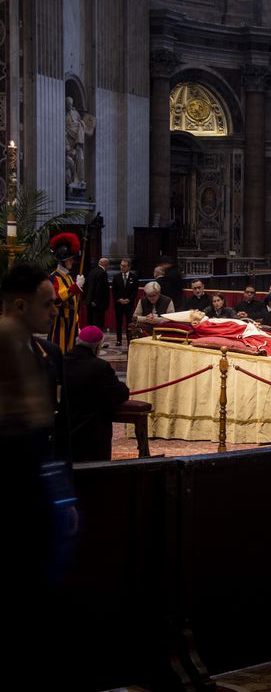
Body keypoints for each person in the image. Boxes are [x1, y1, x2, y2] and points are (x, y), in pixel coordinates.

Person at [0, 263, 77, 687]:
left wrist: (63, 489)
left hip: (41, 483)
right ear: (19, 304)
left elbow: (54, 426)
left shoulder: (48, 352)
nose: (56, 311)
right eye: (48, 304)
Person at [63, 326, 129, 462]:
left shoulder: (60, 362)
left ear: (77, 340)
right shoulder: (100, 367)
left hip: (64, 431)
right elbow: (120, 394)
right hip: (91, 434)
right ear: (98, 347)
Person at [48, 232, 85, 353]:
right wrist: (76, 287)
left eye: (71, 259)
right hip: (60, 324)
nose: (71, 262)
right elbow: (57, 299)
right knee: (59, 353)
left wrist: (77, 322)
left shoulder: (68, 277)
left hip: (71, 323)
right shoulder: (54, 277)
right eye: (69, 259)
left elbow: (73, 303)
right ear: (62, 261)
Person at [112, 259, 139, 346]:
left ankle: (129, 339)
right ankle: (119, 340)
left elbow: (135, 291)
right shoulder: (116, 277)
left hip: (129, 304)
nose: (122, 267)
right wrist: (119, 299)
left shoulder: (134, 277)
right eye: (121, 265)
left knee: (129, 323)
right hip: (119, 304)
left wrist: (129, 299)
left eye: (124, 266)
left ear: (129, 267)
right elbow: (114, 291)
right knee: (119, 322)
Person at [85, 257, 110, 329]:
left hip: (90, 302)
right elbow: (100, 289)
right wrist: (95, 301)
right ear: (106, 265)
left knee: (90, 323)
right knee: (98, 324)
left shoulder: (92, 271)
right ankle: (96, 339)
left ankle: (90, 339)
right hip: (98, 304)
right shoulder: (103, 273)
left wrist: (88, 299)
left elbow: (86, 285)